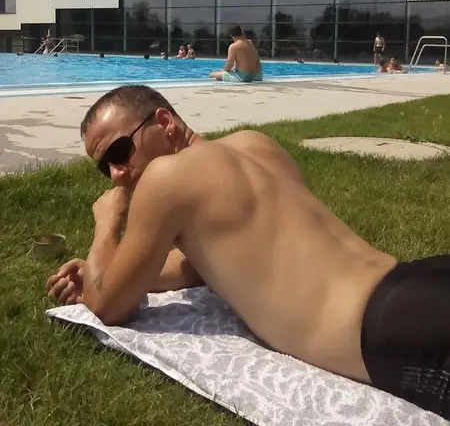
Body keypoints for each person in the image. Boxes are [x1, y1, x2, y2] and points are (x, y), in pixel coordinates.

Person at [47, 85, 450, 418]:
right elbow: (203, 266)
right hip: (412, 282)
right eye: (104, 168)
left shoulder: (166, 178)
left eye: (119, 152)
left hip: (390, 332)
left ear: (165, 122)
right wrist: (113, 270)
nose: (116, 175)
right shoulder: (254, 144)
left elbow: (106, 306)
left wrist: (107, 225)